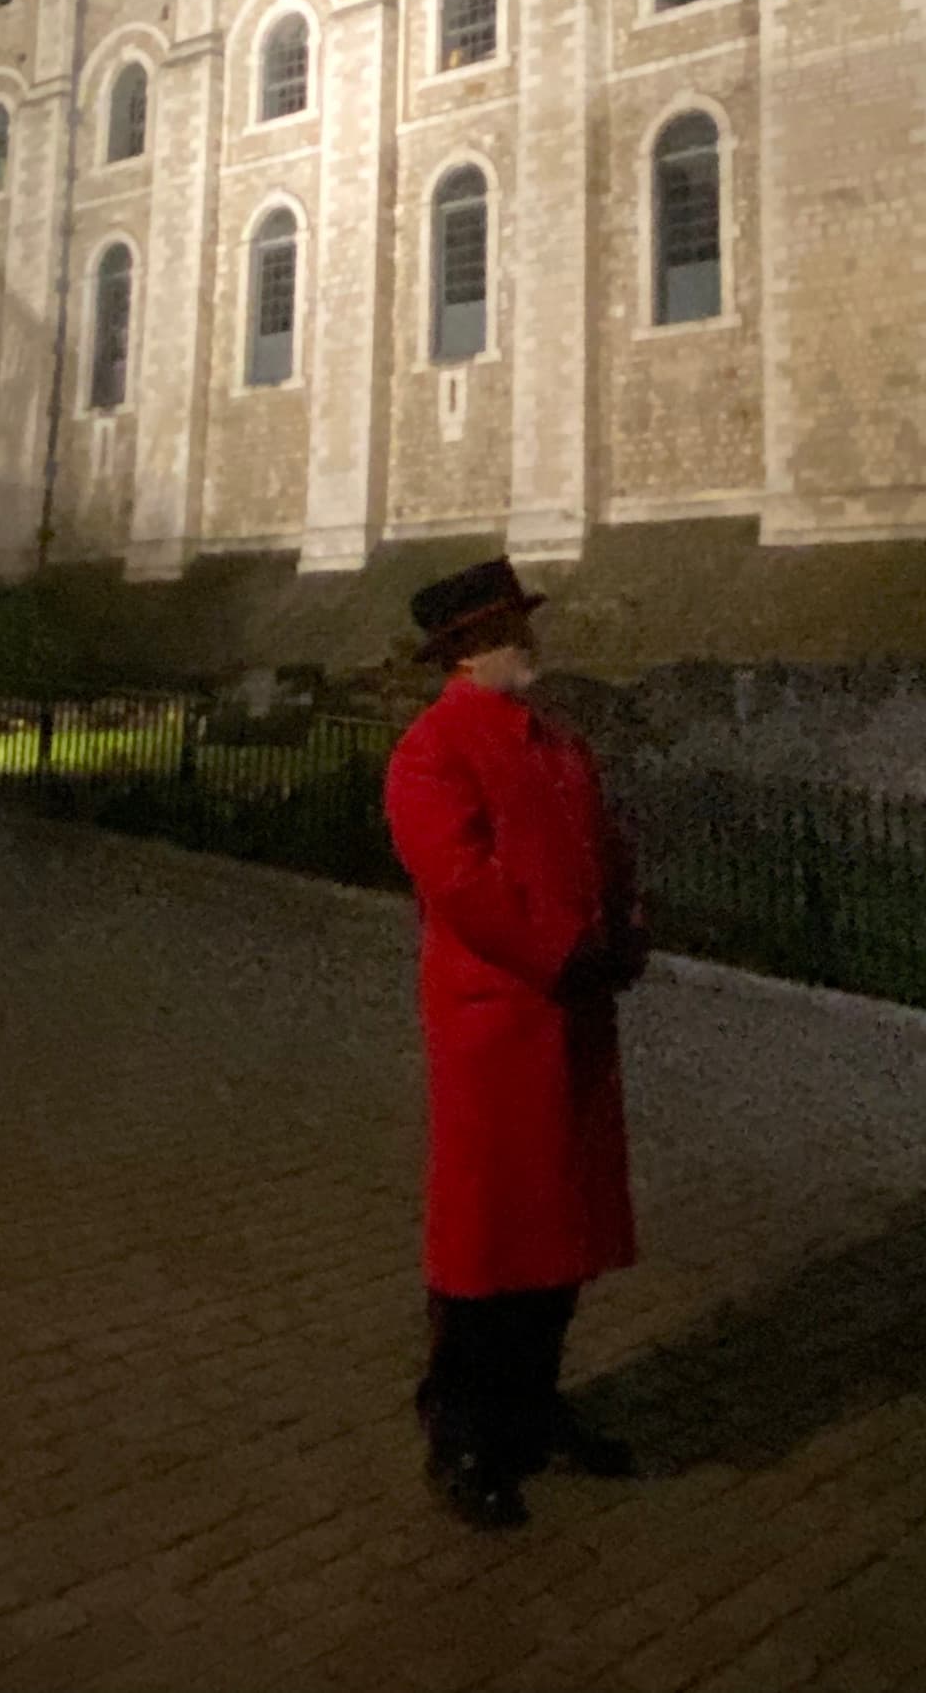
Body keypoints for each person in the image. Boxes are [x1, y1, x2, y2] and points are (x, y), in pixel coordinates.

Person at [384, 557, 650, 1531]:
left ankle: (533, 1409)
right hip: (497, 1031)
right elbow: (458, 883)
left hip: (569, 1022)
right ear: (467, 651)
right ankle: (461, 1434)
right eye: (509, 632)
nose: (526, 645)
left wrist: (624, 928)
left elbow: (606, 845)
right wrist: (560, 951)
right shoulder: (431, 752)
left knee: (559, 1238)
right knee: (485, 1247)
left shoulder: (557, 745)